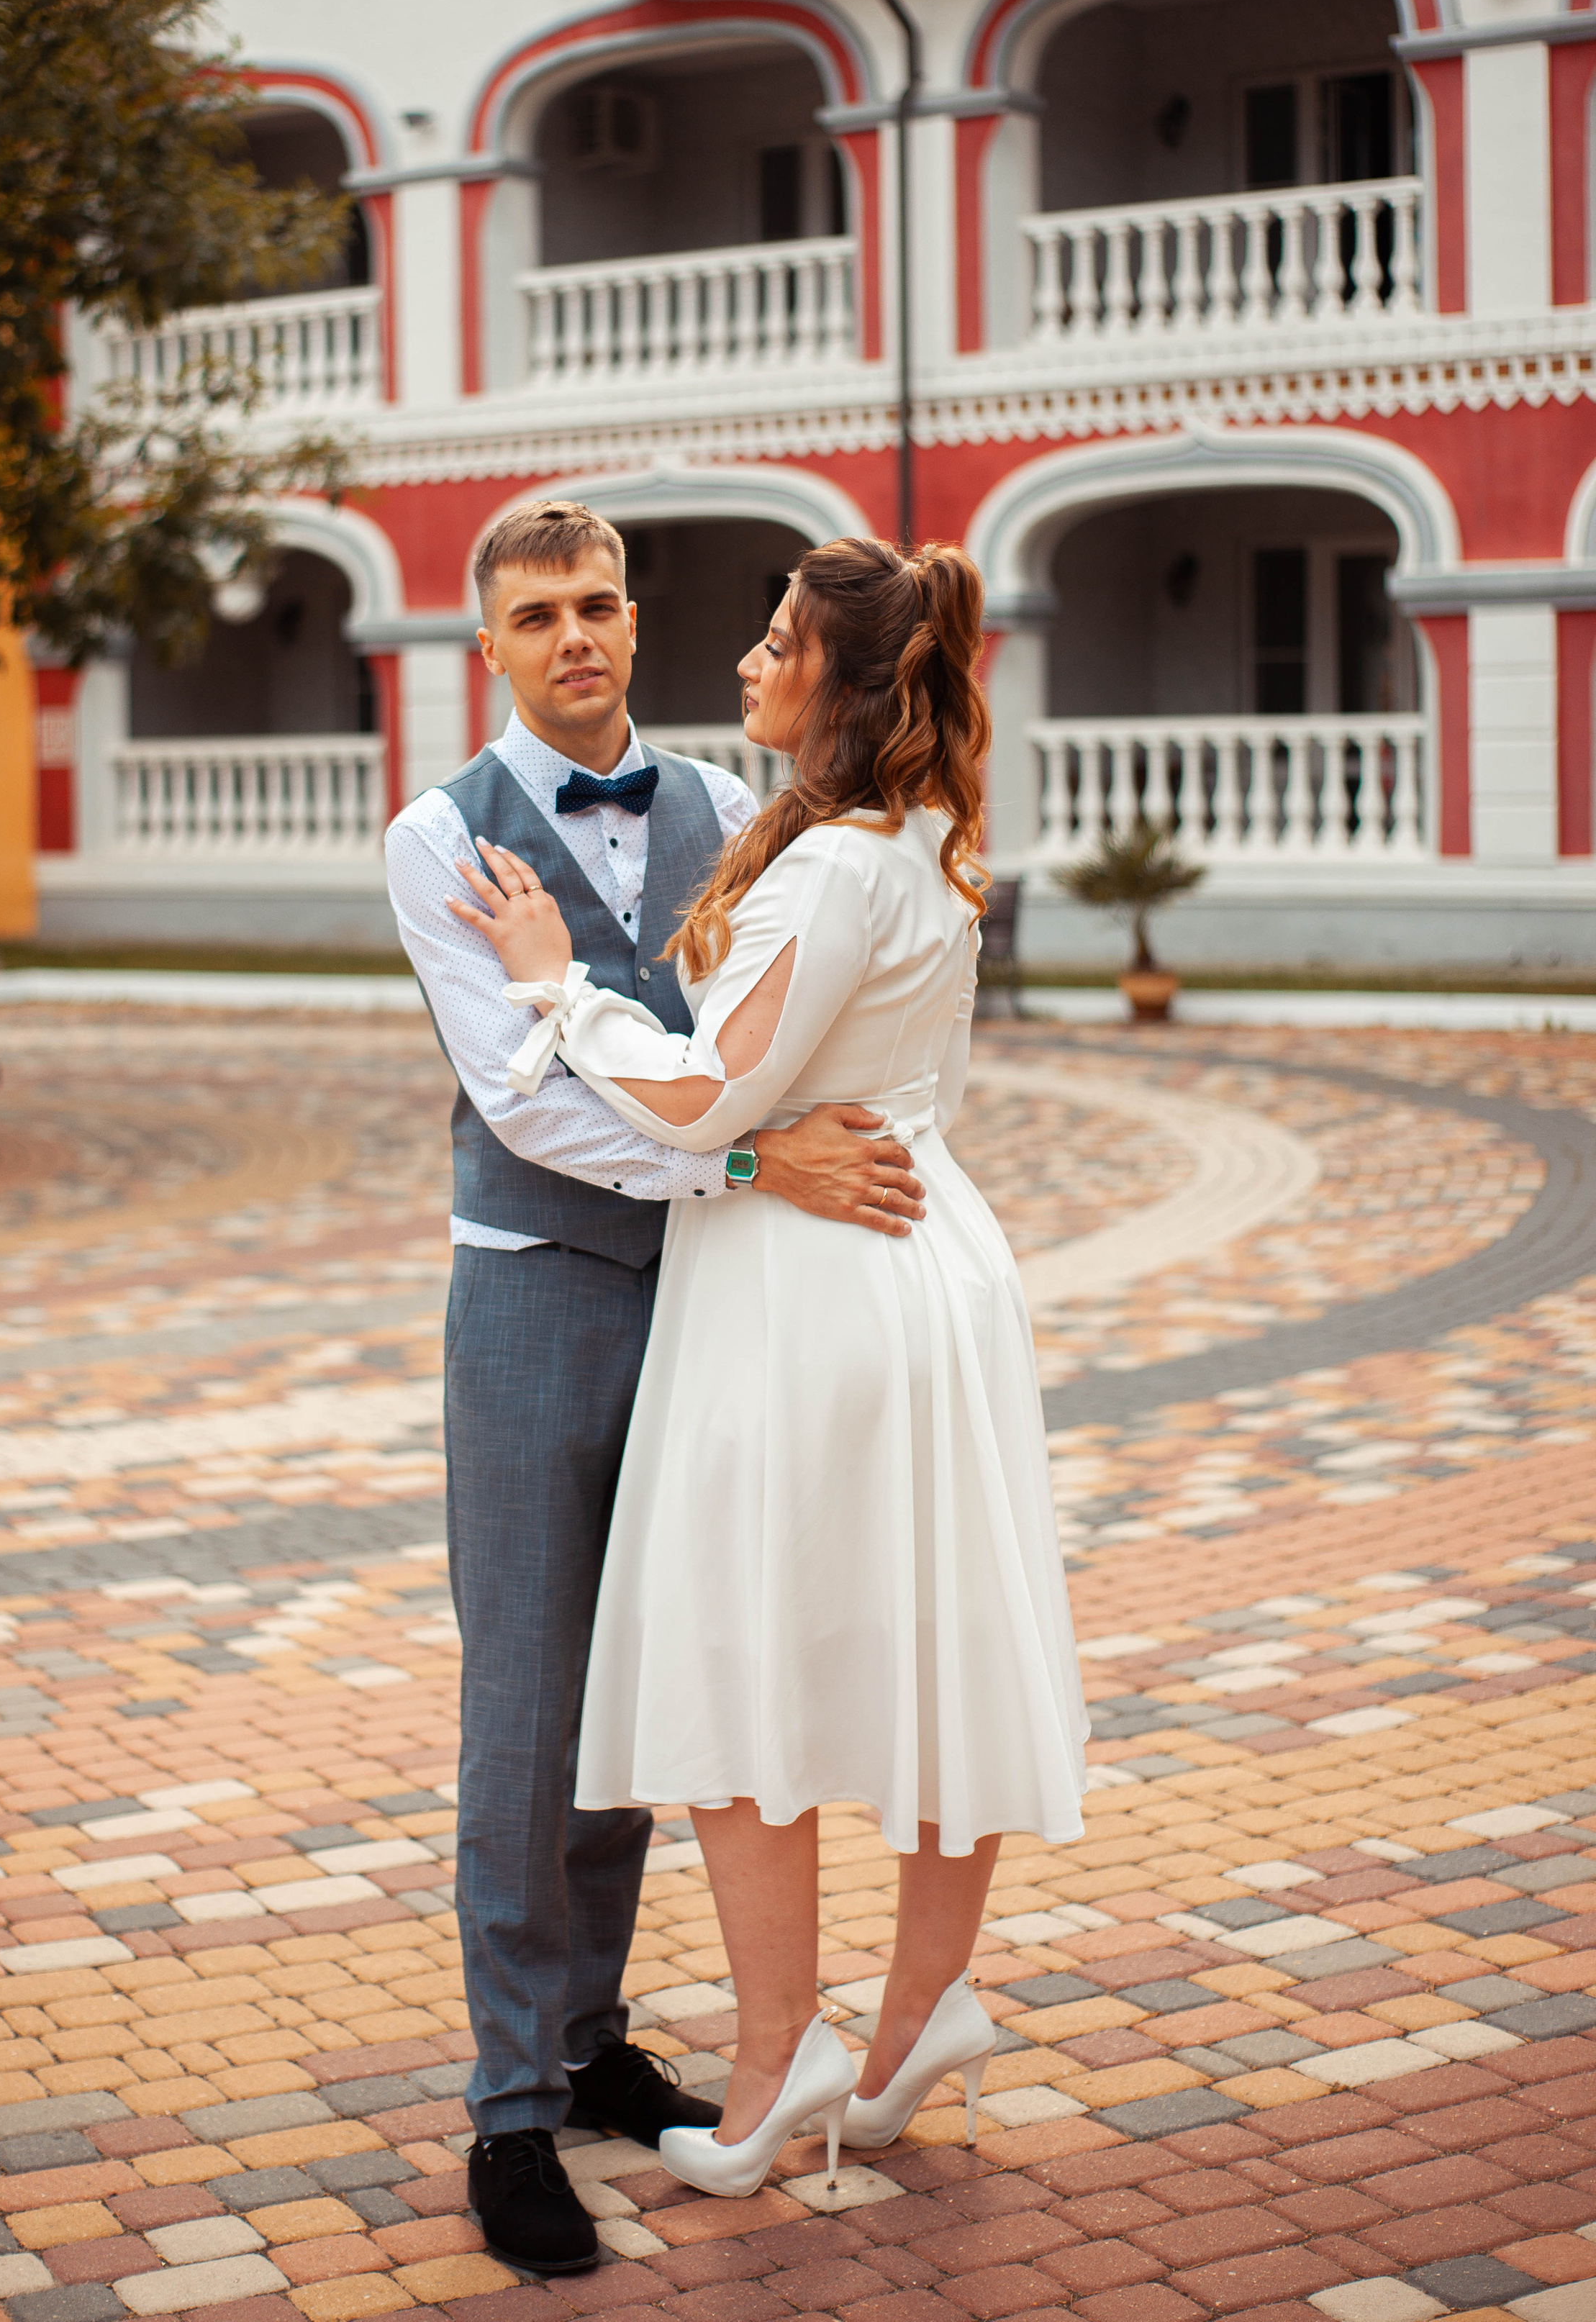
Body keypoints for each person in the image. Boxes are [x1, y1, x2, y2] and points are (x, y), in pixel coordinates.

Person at [450, 534, 1088, 2203]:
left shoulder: (809, 861)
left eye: (777, 638)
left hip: (808, 1288)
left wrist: (556, 991)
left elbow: (693, 1103)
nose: (745, 660)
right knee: (924, 1642)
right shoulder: (933, 833)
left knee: (743, 1663)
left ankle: (772, 2066)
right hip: (928, 1249)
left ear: (838, 680)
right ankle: (920, 2011)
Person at [384, 502, 932, 2275]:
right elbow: (531, 1100)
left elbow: (755, 1046)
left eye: (601, 605)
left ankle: (592, 2032)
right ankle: (506, 2109)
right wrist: (758, 1171)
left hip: (711, 1302)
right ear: (490, 647)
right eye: (536, 615)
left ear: (636, 619)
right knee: (528, 1712)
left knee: (647, 1689)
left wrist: (757, 1157)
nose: (576, 639)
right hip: (538, 1298)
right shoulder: (437, 839)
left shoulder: (725, 803)